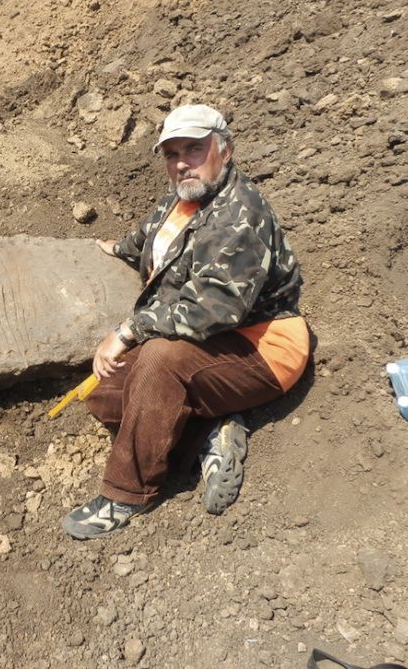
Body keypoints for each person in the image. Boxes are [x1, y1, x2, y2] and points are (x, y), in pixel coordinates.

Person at [61, 104, 310, 540]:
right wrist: (115, 248)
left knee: (157, 360)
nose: (180, 163)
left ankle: (126, 494)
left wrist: (128, 331)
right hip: (212, 345)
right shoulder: (185, 197)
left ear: (224, 150)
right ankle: (210, 434)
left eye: (194, 149)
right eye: (171, 153)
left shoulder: (239, 214)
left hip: (263, 347)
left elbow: (214, 308)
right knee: (102, 392)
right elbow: (148, 236)